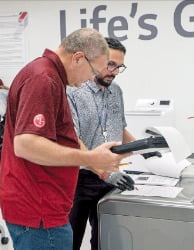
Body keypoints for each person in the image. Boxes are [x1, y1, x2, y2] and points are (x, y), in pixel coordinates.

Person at [0, 28, 130, 250]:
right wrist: (91, 158)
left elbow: (62, 136)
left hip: (45, 204)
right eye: (93, 71)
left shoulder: (49, 76)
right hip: (38, 208)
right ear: (78, 58)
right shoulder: (43, 79)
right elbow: (25, 144)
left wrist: (93, 158)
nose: (90, 78)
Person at [67, 37, 135, 250]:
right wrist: (105, 172)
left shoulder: (117, 92)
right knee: (71, 239)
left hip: (110, 177)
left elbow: (120, 129)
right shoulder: (73, 92)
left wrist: (145, 148)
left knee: (105, 239)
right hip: (79, 179)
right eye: (110, 64)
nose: (114, 72)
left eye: (119, 66)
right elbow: (73, 141)